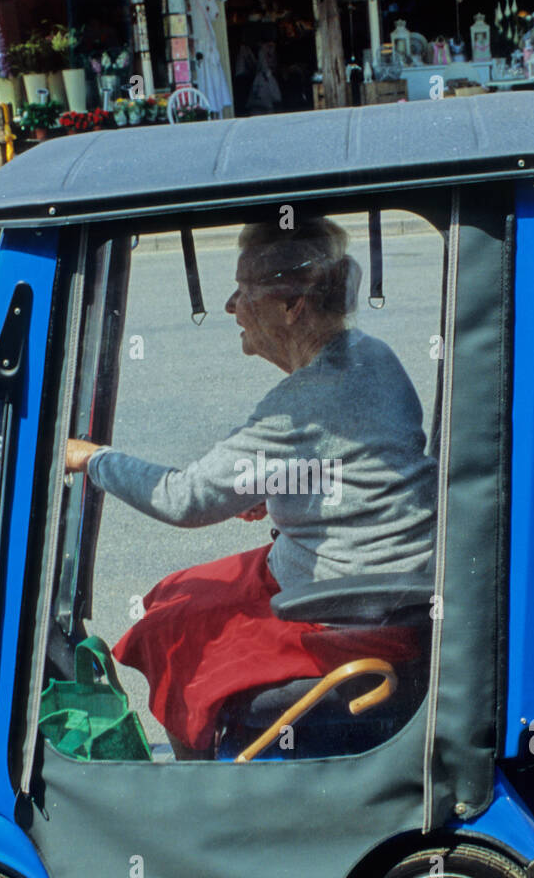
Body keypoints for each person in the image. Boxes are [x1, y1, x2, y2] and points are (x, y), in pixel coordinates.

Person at [65, 218, 437, 760]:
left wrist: (90, 458)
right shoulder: (371, 355)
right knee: (174, 591)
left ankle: (207, 798)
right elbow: (368, 468)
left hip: (345, 606)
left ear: (292, 307)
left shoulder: (300, 405)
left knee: (166, 630)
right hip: (364, 577)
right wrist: (287, 486)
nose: (230, 305)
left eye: (243, 290)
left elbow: (184, 498)